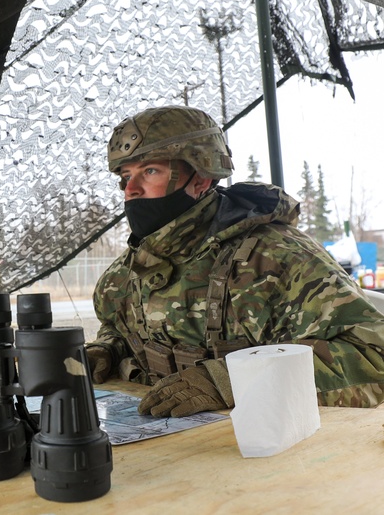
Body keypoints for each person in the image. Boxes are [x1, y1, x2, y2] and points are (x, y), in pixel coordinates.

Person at [85, 105, 384, 416]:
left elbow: (374, 356)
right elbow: (119, 329)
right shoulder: (121, 277)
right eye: (125, 175)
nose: (131, 190)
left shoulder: (277, 259)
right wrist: (106, 350)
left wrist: (234, 380)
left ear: (200, 178)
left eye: (150, 171)